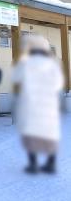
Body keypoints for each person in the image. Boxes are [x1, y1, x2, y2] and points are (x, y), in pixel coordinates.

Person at [11, 35, 63, 174]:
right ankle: (50, 163)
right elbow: (58, 84)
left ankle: (33, 164)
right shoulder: (52, 65)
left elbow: (15, 77)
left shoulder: (25, 64)